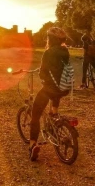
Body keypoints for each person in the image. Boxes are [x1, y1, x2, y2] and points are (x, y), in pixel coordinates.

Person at [28, 27, 71, 161]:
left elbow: (42, 73)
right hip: (64, 88)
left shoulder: (48, 53)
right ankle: (54, 114)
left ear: (50, 39)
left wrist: (42, 77)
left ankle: (32, 145)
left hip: (50, 89)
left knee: (35, 115)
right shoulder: (65, 51)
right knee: (55, 94)